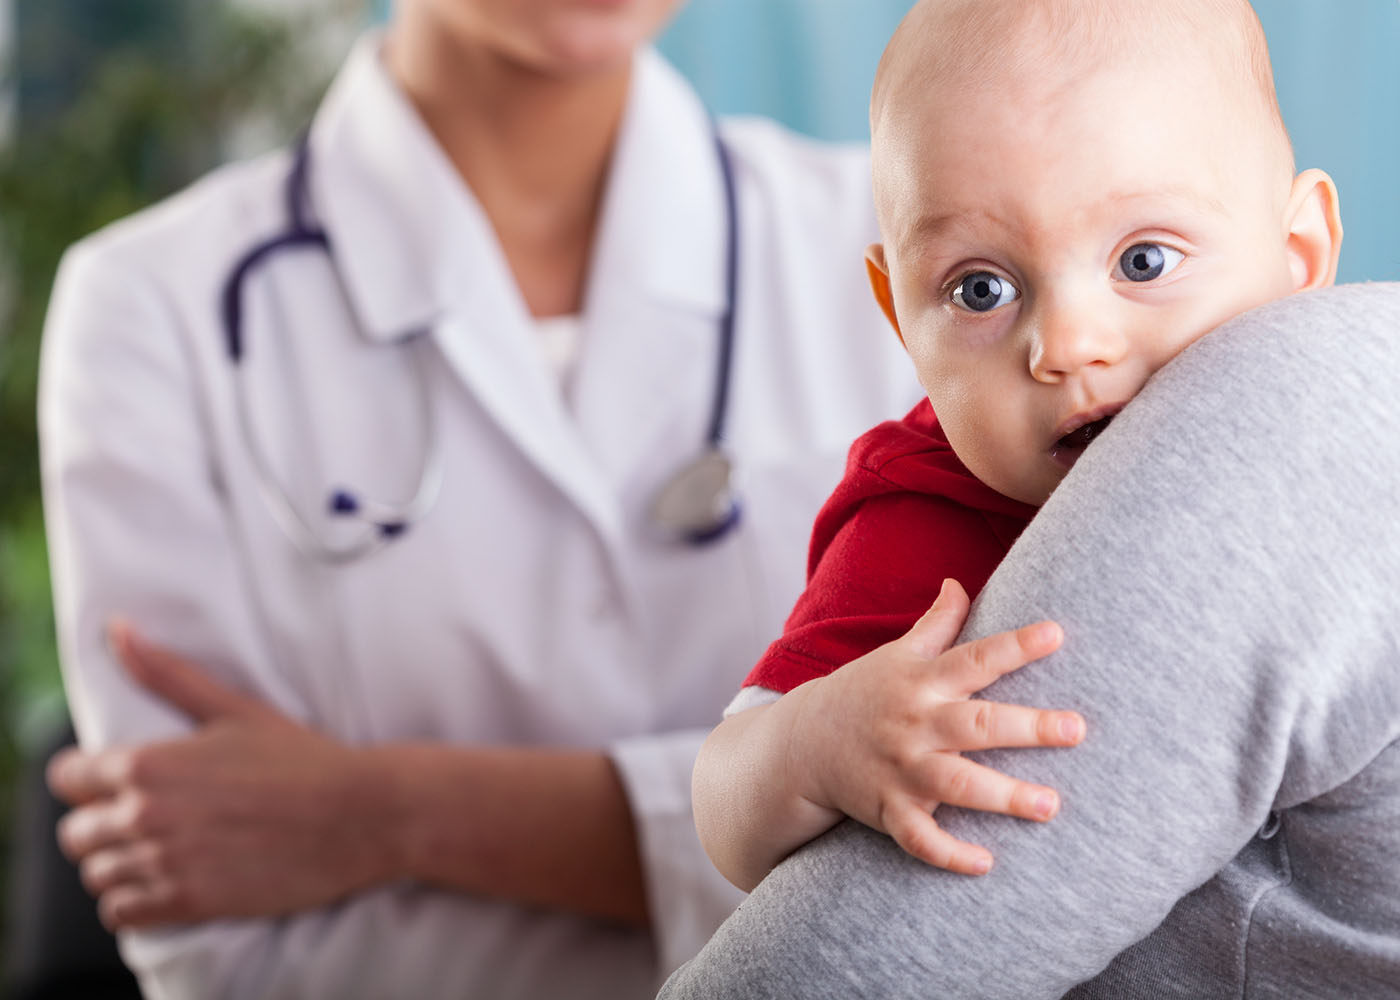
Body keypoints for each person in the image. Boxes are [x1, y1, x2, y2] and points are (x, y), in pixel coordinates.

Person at [36, 2, 1082, 998]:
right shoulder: (148, 313)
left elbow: (1008, 822)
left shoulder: (937, 256)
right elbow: (228, 939)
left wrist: (385, 816)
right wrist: (794, 798)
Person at [655, 2, 1400, 995]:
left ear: (1300, 253)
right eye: (977, 290)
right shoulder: (911, 518)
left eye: (1143, 261)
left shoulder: (1338, 445)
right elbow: (726, 806)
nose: (1064, 345)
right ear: (896, 314)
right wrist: (822, 739)